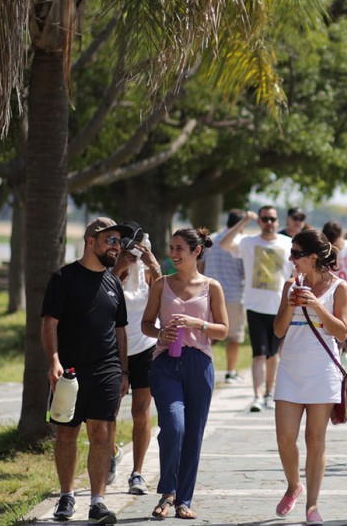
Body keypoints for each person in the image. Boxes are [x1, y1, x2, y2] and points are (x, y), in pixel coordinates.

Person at [41, 218, 133, 524]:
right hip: (69, 371)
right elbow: (49, 323)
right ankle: (66, 496)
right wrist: (53, 360)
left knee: (102, 434)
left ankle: (97, 502)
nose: (117, 246)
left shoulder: (113, 283)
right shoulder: (63, 278)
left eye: (119, 241)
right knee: (67, 434)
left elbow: (120, 330)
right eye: (111, 240)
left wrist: (124, 371)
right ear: (91, 242)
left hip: (107, 370)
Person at [141, 227, 229, 520]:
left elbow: (223, 330)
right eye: (172, 248)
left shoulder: (212, 287)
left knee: (193, 434)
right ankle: (167, 491)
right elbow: (146, 324)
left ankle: (183, 500)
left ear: (196, 251)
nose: (173, 253)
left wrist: (197, 323)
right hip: (165, 363)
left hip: (199, 364)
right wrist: (160, 333)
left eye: (179, 248)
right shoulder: (161, 284)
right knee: (173, 426)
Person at [272, 229, 347, 525]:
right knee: (285, 438)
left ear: (313, 257)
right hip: (290, 369)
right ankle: (294, 485)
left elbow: (342, 332)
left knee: (315, 439)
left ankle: (312, 505)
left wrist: (316, 306)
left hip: (322, 370)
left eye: (296, 254)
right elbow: (278, 330)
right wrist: (291, 305)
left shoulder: (339, 287)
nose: (291, 259)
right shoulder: (290, 285)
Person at [221, 205, 294, 412]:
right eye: (264, 219)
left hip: (279, 307)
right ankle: (257, 396)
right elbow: (224, 243)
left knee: (273, 354)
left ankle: (270, 393)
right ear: (259, 221)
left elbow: (298, 271)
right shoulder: (248, 242)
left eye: (272, 219)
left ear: (278, 221)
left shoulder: (288, 243)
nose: (269, 223)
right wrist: (244, 221)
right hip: (255, 306)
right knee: (258, 354)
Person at [110, 228, 163, 496]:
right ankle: (111, 453)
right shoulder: (111, 269)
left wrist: (155, 268)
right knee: (108, 412)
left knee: (141, 412)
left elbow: (167, 299)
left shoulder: (149, 273)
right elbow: (99, 297)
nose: (135, 254)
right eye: (130, 248)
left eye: (140, 248)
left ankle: (137, 473)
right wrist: (118, 269)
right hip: (114, 349)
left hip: (145, 347)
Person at [201, 210, 247, 385]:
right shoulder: (240, 242)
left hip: (210, 294)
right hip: (234, 294)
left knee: (208, 335)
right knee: (234, 337)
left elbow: (201, 265)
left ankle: (204, 368)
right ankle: (230, 372)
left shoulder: (212, 238)